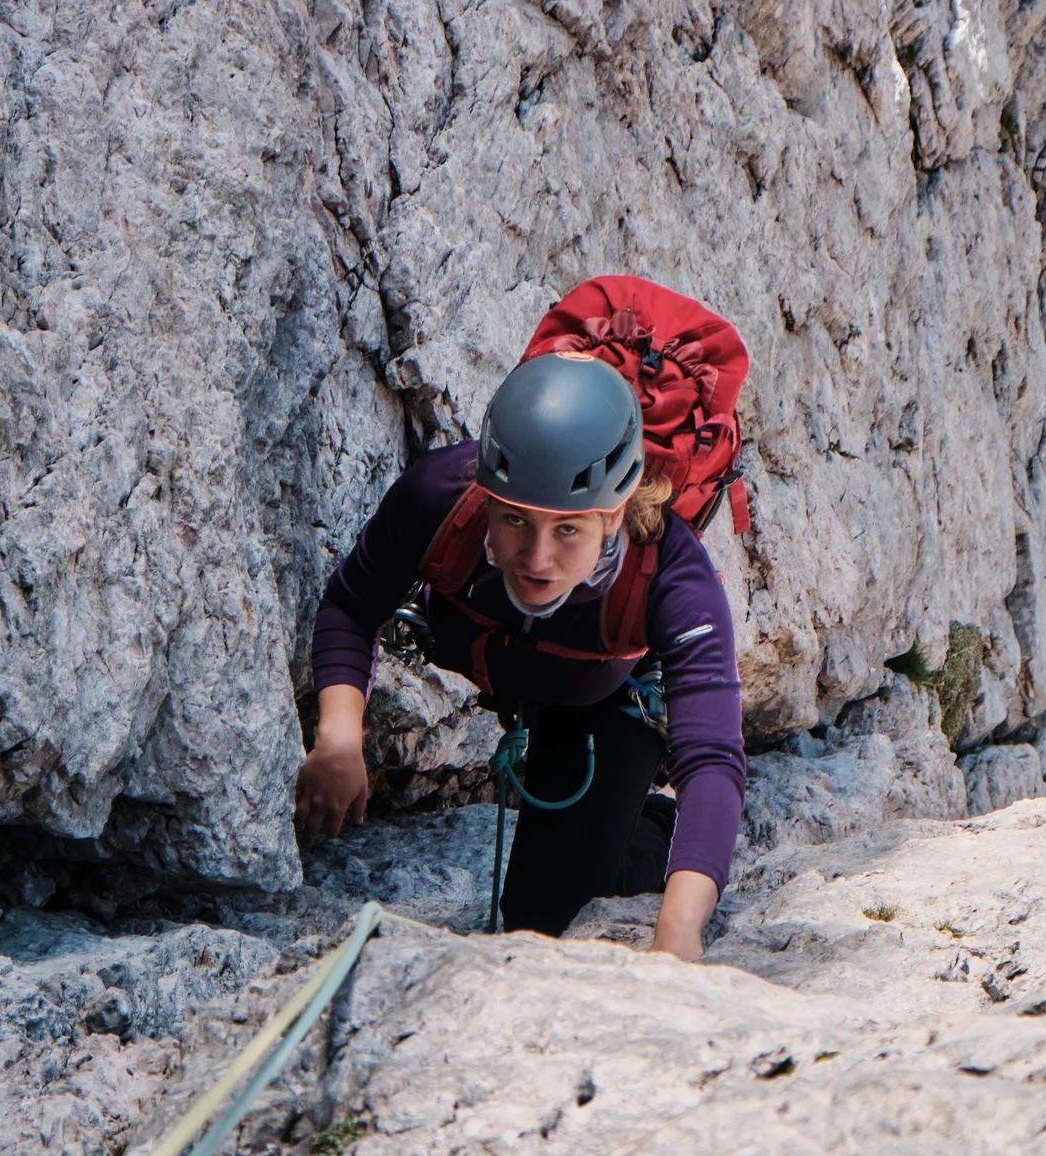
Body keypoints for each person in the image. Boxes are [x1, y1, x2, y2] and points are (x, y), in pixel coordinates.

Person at [296, 351, 745, 961]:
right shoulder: (438, 498)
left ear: (613, 515)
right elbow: (352, 605)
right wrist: (340, 739)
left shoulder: (673, 579)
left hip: (602, 699)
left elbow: (712, 759)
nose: (536, 559)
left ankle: (653, 825)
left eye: (568, 530)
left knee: (541, 928)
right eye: (514, 520)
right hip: (489, 660)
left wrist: (679, 930)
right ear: (484, 497)